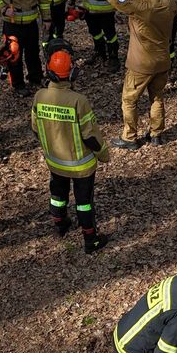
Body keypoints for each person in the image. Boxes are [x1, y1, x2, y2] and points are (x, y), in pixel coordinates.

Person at [30, 40, 110, 254]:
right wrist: (104, 155)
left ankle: (60, 225)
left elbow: (35, 128)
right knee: (84, 203)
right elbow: (91, 136)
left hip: (55, 162)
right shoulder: (78, 101)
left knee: (57, 195)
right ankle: (90, 240)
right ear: (72, 73)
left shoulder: (39, 96)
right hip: (81, 166)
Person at [106, 0, 177, 149]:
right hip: (163, 61)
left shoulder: (138, 7)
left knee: (129, 100)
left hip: (140, 64)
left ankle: (129, 137)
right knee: (157, 97)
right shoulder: (170, 4)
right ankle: (156, 134)